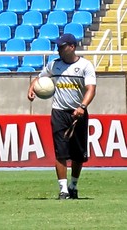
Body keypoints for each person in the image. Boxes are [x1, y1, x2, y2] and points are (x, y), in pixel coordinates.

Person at [27, 34, 96, 199]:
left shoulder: (85, 65)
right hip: (59, 112)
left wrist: (82, 107)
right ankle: (63, 190)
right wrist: (31, 88)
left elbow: (91, 89)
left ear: (72, 47)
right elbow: (40, 78)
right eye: (57, 46)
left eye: (61, 46)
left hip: (78, 113)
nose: (58, 49)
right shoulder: (54, 65)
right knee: (61, 152)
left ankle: (73, 185)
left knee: (78, 155)